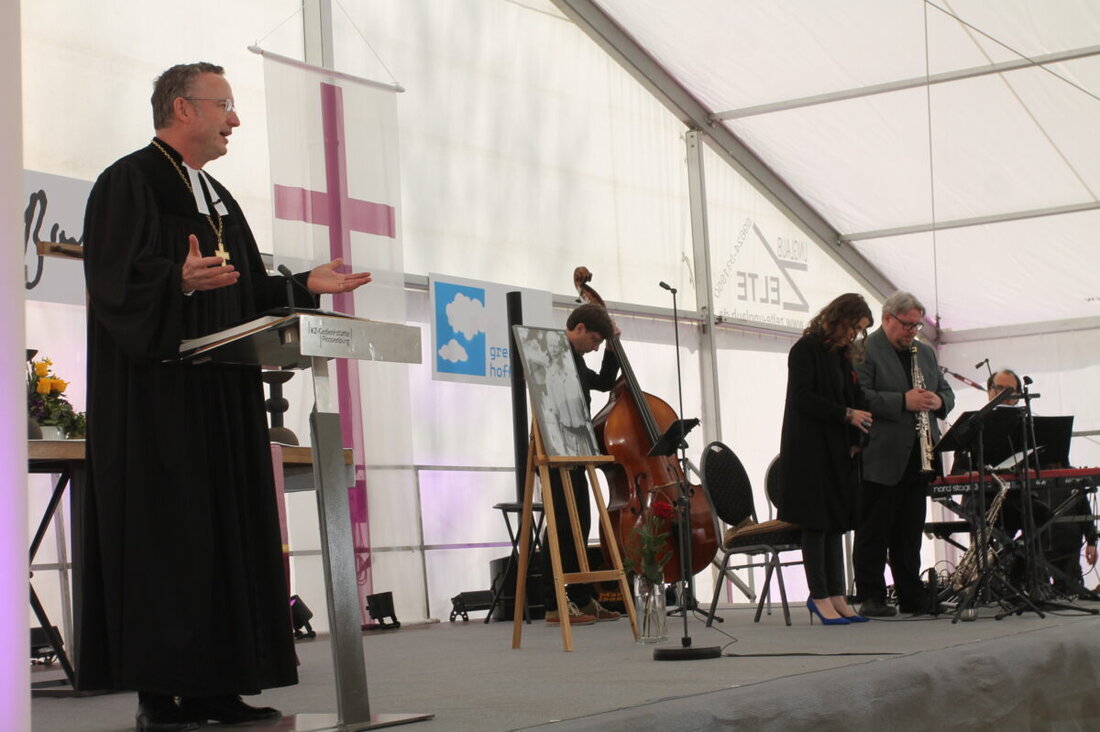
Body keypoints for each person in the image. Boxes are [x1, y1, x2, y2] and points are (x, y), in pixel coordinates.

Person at [81, 62, 372, 732]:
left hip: (221, 394)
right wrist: (175, 282)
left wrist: (302, 285)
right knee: (171, 541)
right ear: (182, 108)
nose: (234, 120)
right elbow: (115, 281)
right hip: (160, 401)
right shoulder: (128, 181)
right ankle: (164, 693)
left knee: (223, 539)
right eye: (224, 106)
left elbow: (243, 288)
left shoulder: (215, 195)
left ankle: (217, 687)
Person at [853, 291, 955, 617]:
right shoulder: (865, 350)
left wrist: (938, 403)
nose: (912, 331)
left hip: (920, 453)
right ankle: (871, 595)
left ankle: (911, 595)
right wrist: (902, 401)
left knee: (910, 530)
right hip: (881, 454)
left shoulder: (924, 353)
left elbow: (945, 392)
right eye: (907, 325)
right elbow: (859, 396)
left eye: (916, 326)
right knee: (874, 529)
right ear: (887, 319)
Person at [776, 293, 874, 625]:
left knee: (836, 523)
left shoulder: (841, 355)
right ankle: (818, 595)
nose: (854, 336)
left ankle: (837, 594)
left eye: (860, 331)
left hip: (837, 449)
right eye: (854, 328)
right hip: (809, 450)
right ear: (840, 319)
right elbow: (803, 398)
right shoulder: (806, 350)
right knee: (816, 523)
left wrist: (858, 437)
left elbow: (855, 397)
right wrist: (846, 415)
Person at [541, 303, 622, 626]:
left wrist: (613, 347)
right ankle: (554, 604)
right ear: (578, 329)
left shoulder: (573, 357)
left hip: (576, 451)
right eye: (595, 340)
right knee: (561, 527)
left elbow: (603, 383)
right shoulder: (551, 355)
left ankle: (579, 597)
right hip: (554, 450)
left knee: (581, 524)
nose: (595, 347)